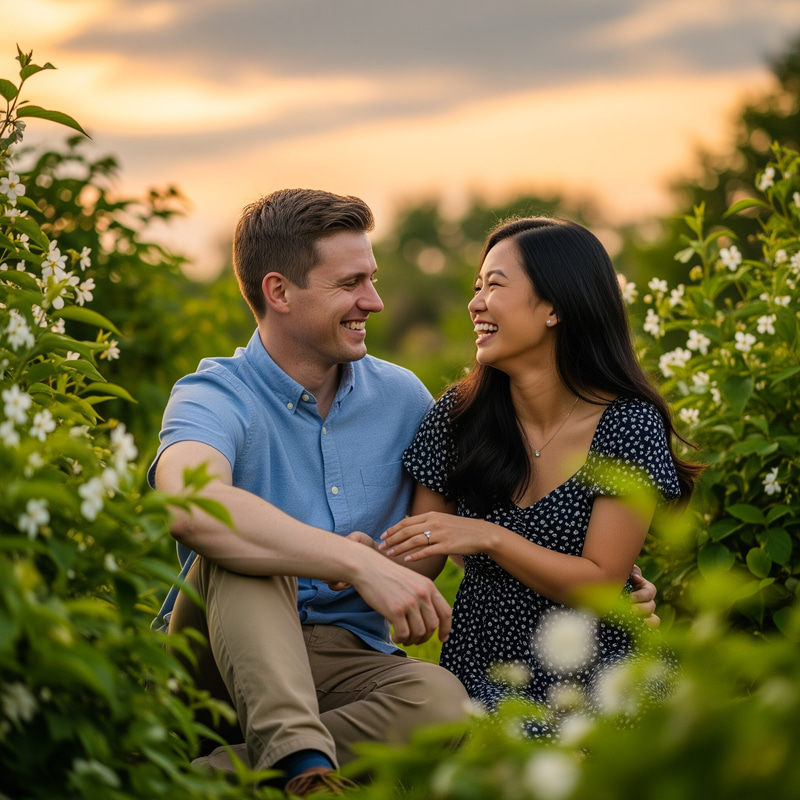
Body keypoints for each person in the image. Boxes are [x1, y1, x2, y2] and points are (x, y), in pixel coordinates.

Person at [150, 194, 660, 793]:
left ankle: (194, 780)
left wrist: (609, 580)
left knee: (443, 701)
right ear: (279, 292)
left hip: (348, 659)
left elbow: (428, 542)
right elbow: (193, 507)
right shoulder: (211, 395)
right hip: (216, 654)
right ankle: (304, 772)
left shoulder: (406, 400)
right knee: (245, 548)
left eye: (372, 278)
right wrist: (344, 557)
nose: (374, 300)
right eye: (350, 283)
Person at [380, 216, 700, 735]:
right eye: (476, 287)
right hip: (481, 674)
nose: (475, 303)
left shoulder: (628, 424)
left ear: (554, 307)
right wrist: (362, 561)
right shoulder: (457, 417)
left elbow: (601, 582)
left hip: (598, 675)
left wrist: (489, 536)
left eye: (495, 286)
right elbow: (422, 558)